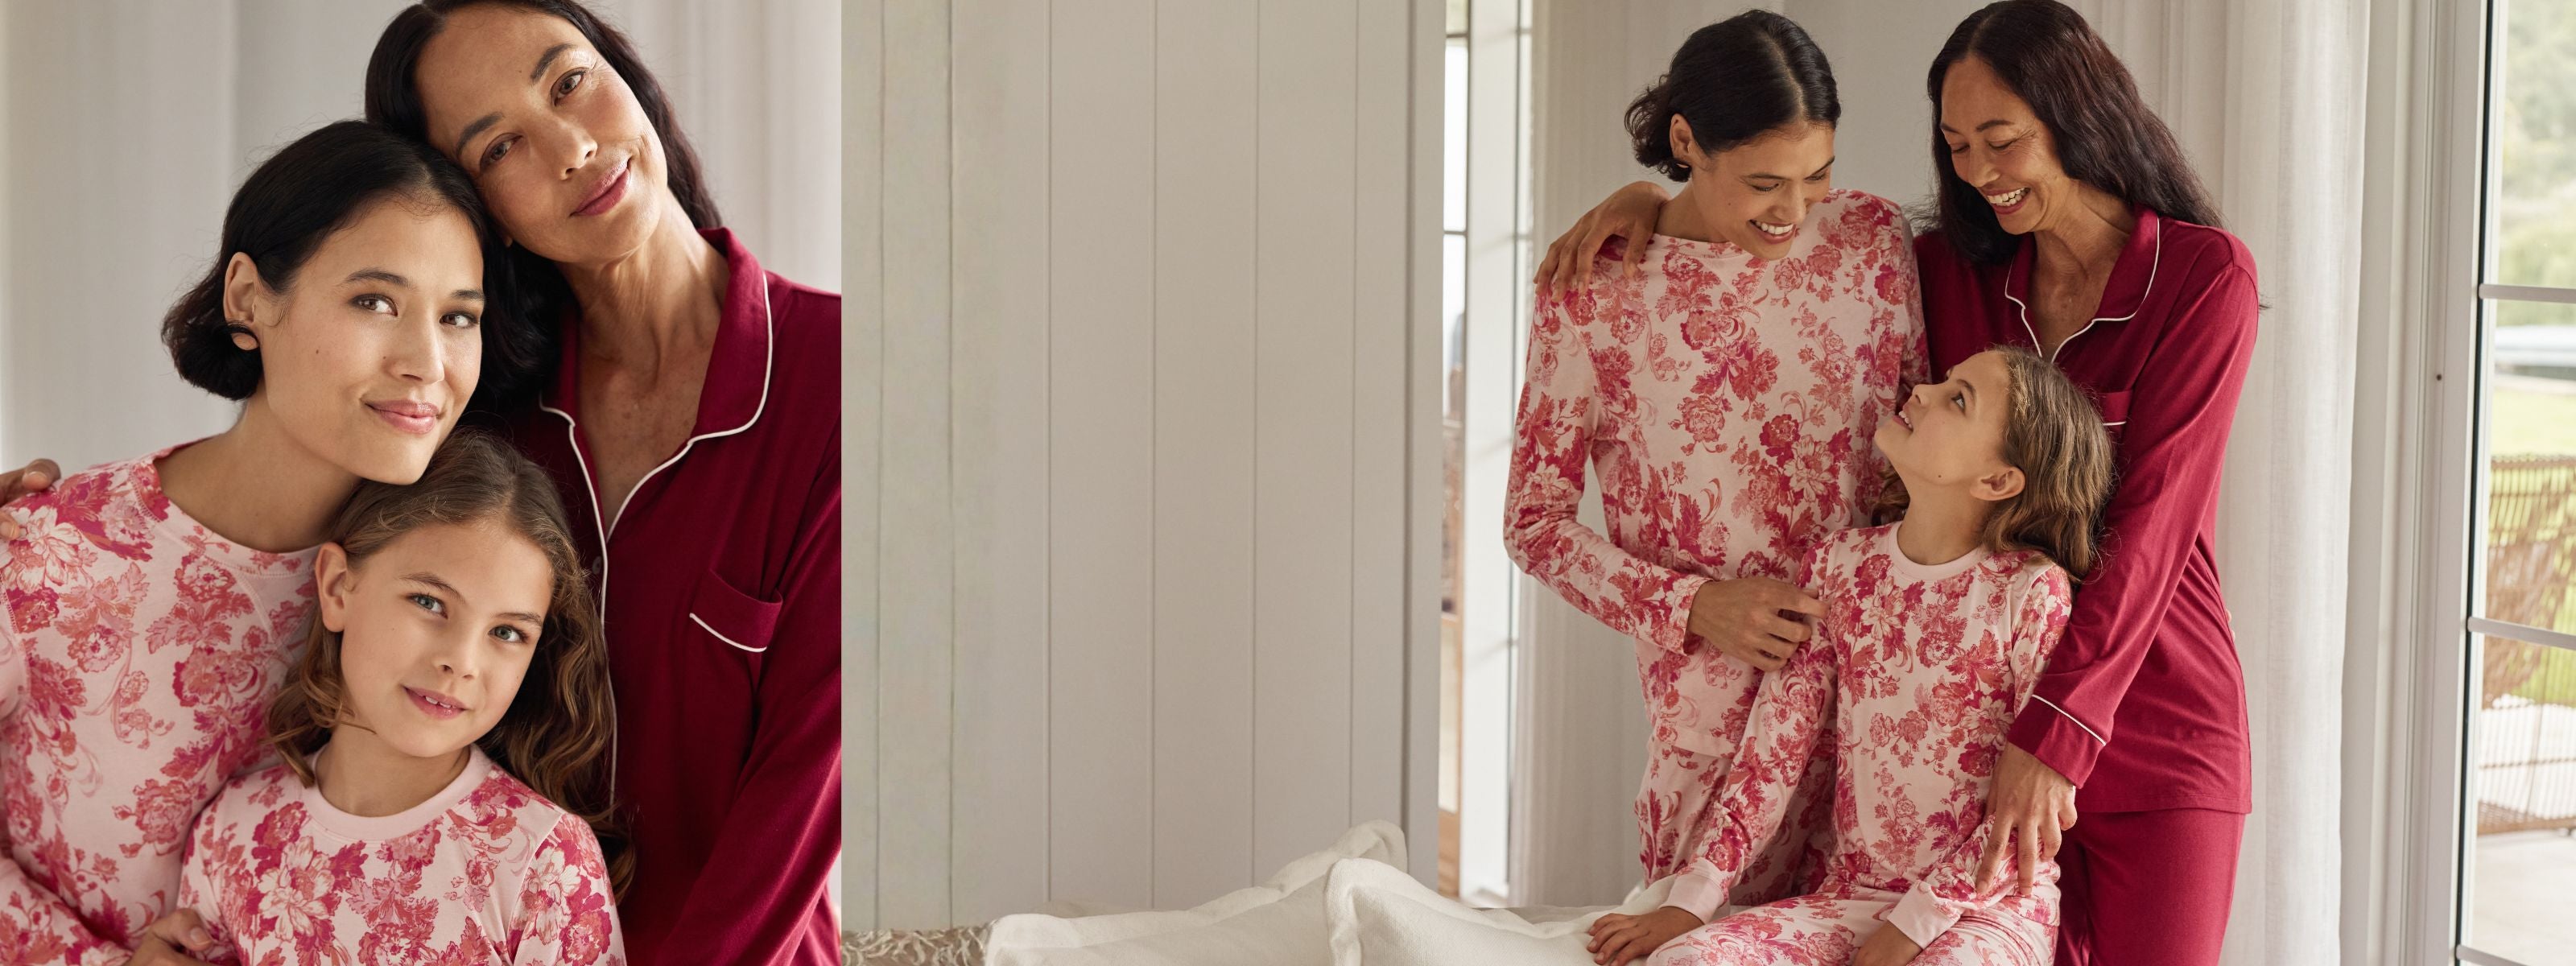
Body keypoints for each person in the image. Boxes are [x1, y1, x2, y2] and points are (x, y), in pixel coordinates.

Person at [1543, 4, 2259, 959]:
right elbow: (1770, 225)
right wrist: (1649, 203)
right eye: (1956, 146)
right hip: (1970, 753)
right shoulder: (1947, 268)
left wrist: (2054, 735)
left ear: (2076, 116)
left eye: (2000, 139)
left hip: (2145, 720)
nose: (1978, 172)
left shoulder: (2201, 277)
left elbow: (2155, 526)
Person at [0, 120, 514, 966]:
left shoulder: (455, 587)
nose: (428, 361)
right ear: (247, 299)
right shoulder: (55, 554)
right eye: (375, 301)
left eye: (459, 316)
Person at [1504, 9, 1926, 912]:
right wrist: (1692, 607)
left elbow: (1919, 456)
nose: (1793, 211)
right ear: (1686, 142)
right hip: (1713, 711)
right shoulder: (1592, 291)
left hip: (1884, 697)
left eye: (1817, 175)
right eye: (1764, 182)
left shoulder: (1871, 239)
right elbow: (1533, 527)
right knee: (1699, 938)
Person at [1591, 347, 2112, 966]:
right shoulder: (1840, 566)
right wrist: (1694, 898)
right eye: (1944, 381)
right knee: (1685, 961)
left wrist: (1912, 929)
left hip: (1988, 909)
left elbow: (2024, 814)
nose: (1923, 392)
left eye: (1958, 399)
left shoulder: (2029, 590)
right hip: (1854, 897)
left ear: (1997, 481)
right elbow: (1774, 752)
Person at [163, 432, 625, 965]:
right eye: (429, 602)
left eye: (506, 633)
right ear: (338, 587)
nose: (462, 661)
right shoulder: (231, 833)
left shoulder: (546, 861)